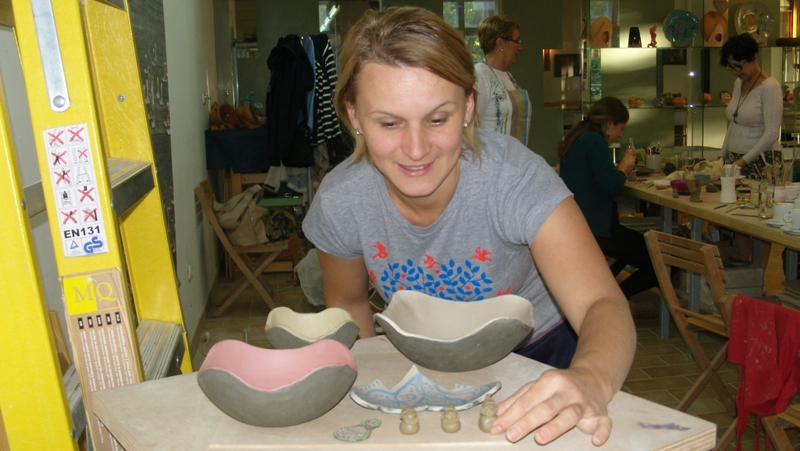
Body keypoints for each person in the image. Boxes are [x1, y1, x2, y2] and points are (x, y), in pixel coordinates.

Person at [302, 7, 635, 447]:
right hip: (418, 361)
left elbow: (602, 304)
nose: (416, 149)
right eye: (389, 123)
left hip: (539, 357)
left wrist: (591, 377)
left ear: (469, 107)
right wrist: (374, 392)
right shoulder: (342, 200)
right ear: (354, 116)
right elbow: (349, 304)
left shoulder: (515, 179)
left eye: (437, 119)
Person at [557, 97, 658, 299]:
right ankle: (616, 298)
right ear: (610, 124)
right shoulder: (596, 141)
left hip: (580, 224)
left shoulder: (576, 137)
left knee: (624, 251)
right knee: (661, 261)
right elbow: (610, 187)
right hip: (598, 229)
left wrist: (619, 173)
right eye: (621, 129)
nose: (620, 134)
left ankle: (602, 293)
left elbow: (594, 177)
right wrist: (623, 167)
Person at [719, 33, 782, 179]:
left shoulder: (770, 87)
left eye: (738, 66)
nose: (735, 72)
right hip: (736, 159)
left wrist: (743, 161)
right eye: (731, 67)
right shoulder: (739, 82)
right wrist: (722, 156)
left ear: (754, 57)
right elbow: (734, 122)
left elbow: (772, 133)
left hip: (761, 161)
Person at [474, 15, 531, 146]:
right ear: (500, 43)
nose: (520, 47)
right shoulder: (479, 76)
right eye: (516, 41)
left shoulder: (508, 76)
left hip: (514, 156)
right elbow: (470, 129)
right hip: (491, 157)